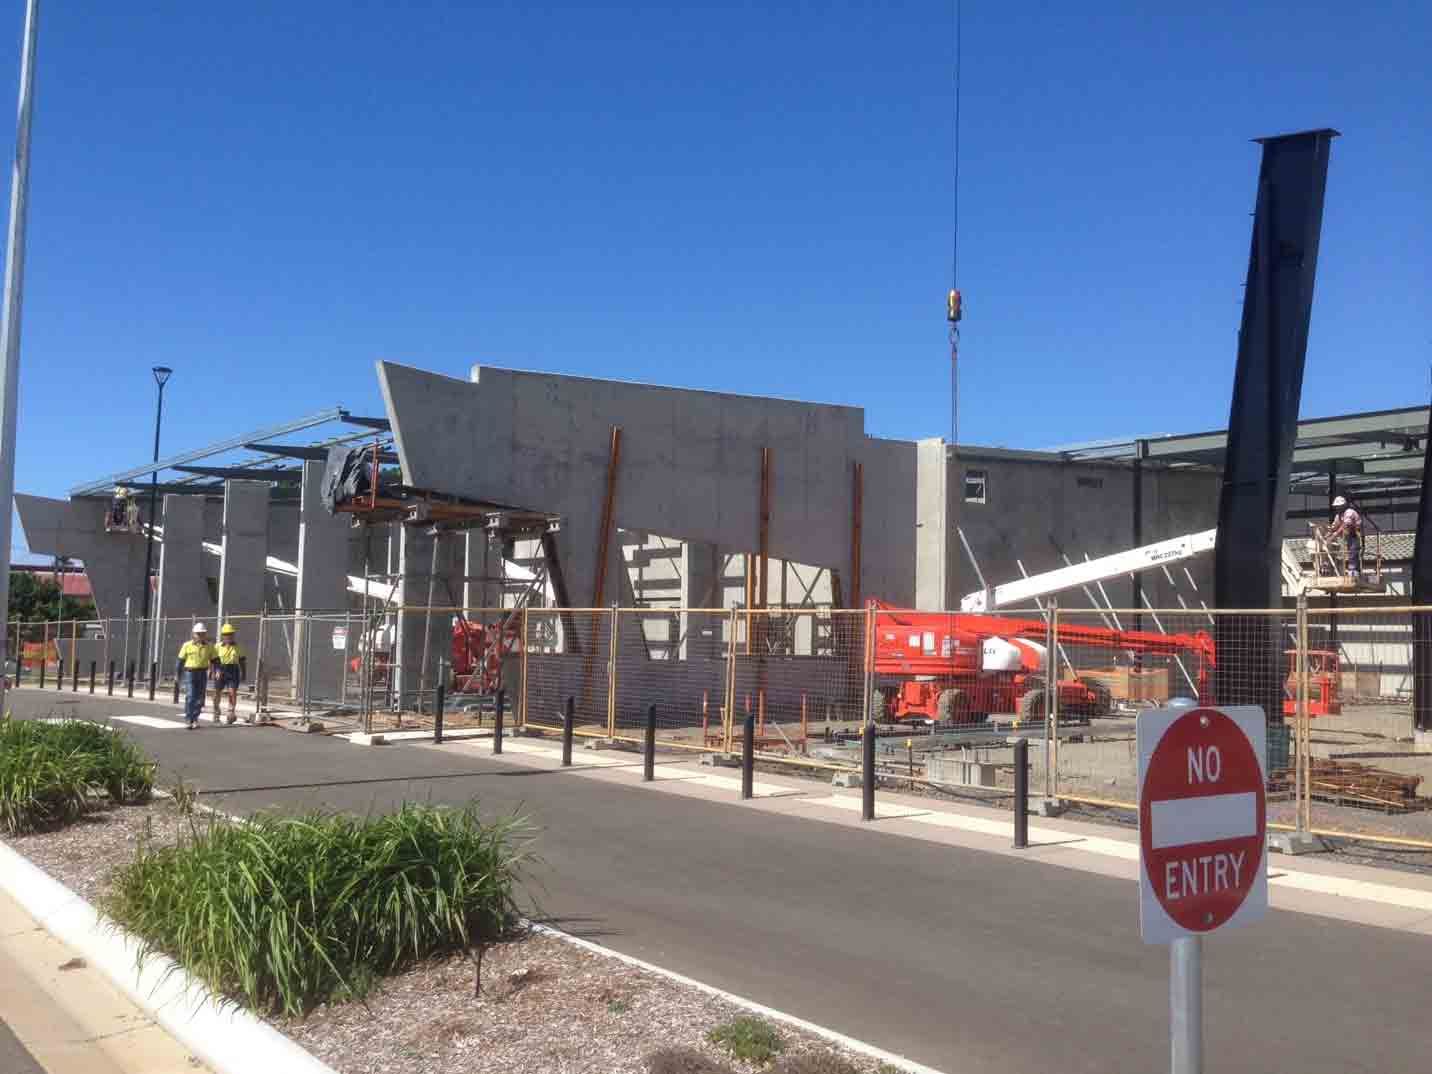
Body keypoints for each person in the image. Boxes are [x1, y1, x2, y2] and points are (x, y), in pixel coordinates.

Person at [176, 623, 217, 729]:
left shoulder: (209, 646)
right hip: (190, 673)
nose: (200, 636)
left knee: (200, 698)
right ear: (193, 634)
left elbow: (215, 660)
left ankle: (195, 718)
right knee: (190, 696)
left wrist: (217, 670)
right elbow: (180, 661)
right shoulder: (187, 645)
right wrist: (177, 674)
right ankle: (189, 719)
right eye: (198, 634)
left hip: (202, 673)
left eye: (202, 633)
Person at [213, 623, 247, 724]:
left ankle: (230, 713)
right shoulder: (217, 646)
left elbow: (242, 661)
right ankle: (216, 711)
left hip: (233, 670)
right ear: (223, 635)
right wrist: (214, 671)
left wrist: (243, 673)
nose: (229, 636)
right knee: (217, 693)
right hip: (220, 669)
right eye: (227, 634)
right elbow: (213, 660)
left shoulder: (238, 647)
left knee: (232, 693)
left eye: (231, 634)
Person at [1327, 495, 1362, 580]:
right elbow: (1334, 526)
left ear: (1343, 505)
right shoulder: (1338, 516)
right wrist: (1328, 534)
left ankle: (1353, 572)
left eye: (1338, 506)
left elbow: (1346, 525)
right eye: (1336, 506)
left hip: (1354, 536)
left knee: (1353, 552)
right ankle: (1351, 570)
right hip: (1347, 537)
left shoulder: (1349, 512)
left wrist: (1335, 534)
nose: (1337, 508)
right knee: (1349, 552)